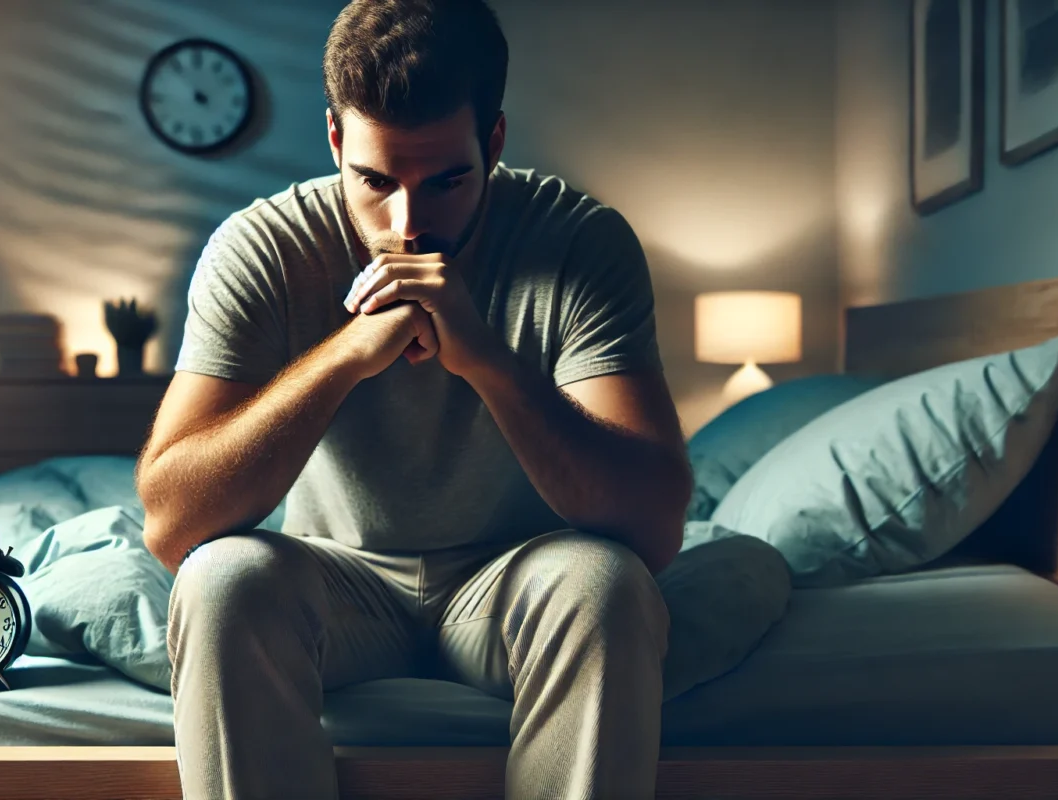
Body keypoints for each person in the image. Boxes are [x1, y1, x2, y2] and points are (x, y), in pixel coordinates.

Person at [136, 1, 693, 797]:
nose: (407, 225)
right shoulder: (261, 248)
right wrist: (347, 355)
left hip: (515, 581)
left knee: (607, 586)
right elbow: (171, 525)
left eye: (447, 181)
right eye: (373, 180)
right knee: (218, 581)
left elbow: (653, 527)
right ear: (334, 139)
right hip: (338, 586)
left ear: (492, 142)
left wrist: (486, 359)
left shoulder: (579, 242)